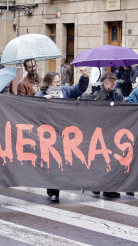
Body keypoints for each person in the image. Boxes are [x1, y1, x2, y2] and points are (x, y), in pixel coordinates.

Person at [35, 68, 89, 203]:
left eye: (60, 82)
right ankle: (53, 190)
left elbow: (79, 89)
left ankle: (54, 189)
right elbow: (33, 107)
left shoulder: (64, 91)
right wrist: (43, 101)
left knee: (58, 162)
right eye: (57, 82)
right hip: (48, 135)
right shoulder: (41, 94)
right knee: (51, 162)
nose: (59, 84)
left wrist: (84, 76)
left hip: (62, 133)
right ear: (49, 83)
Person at [92, 72, 123, 198]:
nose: (113, 83)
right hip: (100, 132)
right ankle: (97, 185)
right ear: (104, 82)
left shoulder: (119, 97)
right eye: (110, 81)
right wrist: (104, 93)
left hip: (114, 133)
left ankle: (109, 188)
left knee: (112, 160)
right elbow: (94, 108)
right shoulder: (97, 95)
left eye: (114, 80)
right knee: (100, 160)